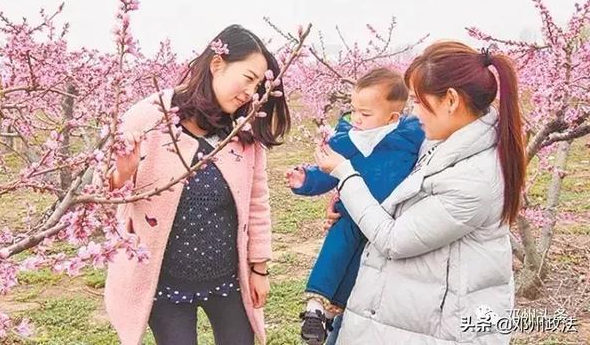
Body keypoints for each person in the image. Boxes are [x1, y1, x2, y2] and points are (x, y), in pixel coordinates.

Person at [315, 41, 525, 344]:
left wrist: (346, 176)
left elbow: (393, 239)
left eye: (416, 101)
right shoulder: (440, 142)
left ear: (450, 100)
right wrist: (346, 204)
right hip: (406, 316)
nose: (412, 112)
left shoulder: (475, 179)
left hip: (437, 329)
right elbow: (395, 191)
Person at [104, 24, 291, 345]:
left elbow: (257, 202)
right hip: (165, 282)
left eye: (259, 84)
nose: (251, 92)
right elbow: (102, 192)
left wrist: (259, 268)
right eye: (248, 78)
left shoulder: (243, 131)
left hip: (228, 279)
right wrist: (123, 172)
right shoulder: (151, 117)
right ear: (217, 64)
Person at [285, 67, 424, 344]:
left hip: (387, 221)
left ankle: (334, 315)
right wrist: (305, 179)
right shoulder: (350, 139)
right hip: (351, 214)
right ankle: (315, 309)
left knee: (360, 271)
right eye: (354, 111)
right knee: (335, 252)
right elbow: (327, 170)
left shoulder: (411, 138)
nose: (357, 119)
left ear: (393, 117)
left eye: (366, 114)